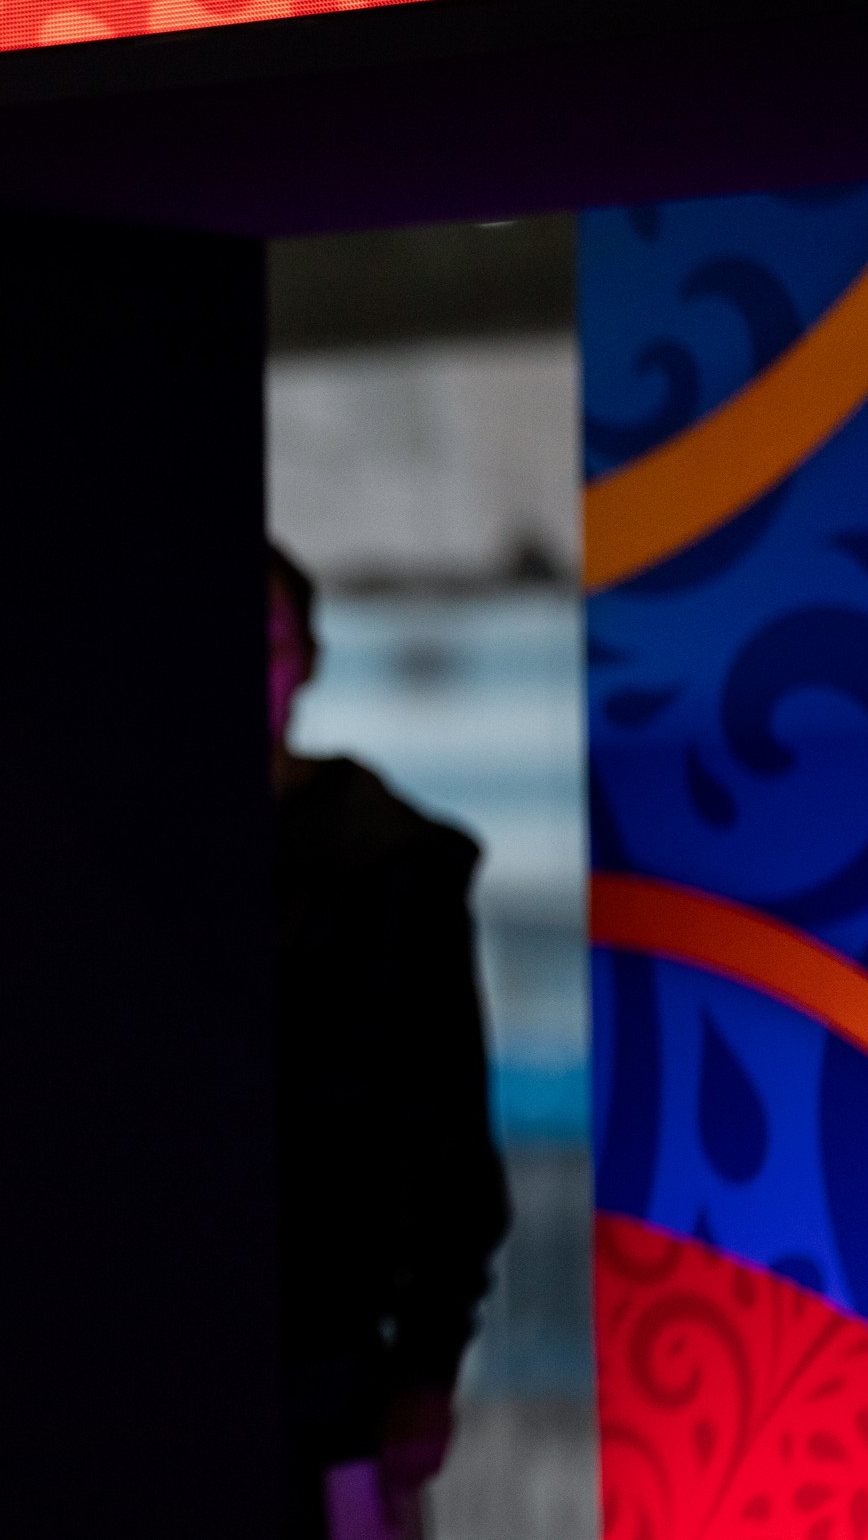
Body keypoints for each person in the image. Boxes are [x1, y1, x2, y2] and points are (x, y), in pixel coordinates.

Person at [269, 541, 510, 1540]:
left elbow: (448, 1130)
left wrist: (425, 1365)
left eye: (268, 643)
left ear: (306, 660)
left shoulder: (393, 864)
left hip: (336, 1367)